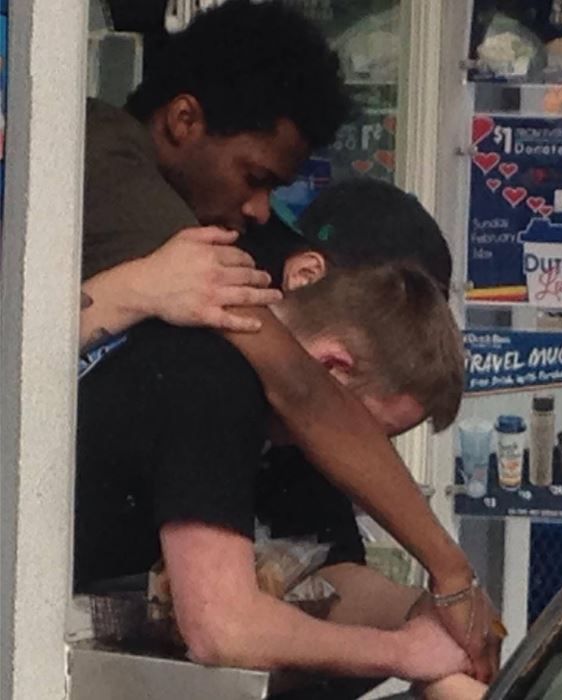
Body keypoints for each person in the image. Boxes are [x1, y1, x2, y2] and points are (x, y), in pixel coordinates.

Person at [76, 0, 500, 675]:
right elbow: (297, 384)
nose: (255, 211)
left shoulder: (186, 215)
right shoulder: (107, 171)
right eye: (255, 178)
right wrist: (450, 574)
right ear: (184, 120)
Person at [76, 260, 473, 693]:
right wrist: (403, 652)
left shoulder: (285, 425)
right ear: (331, 368)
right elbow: (222, 629)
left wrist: (426, 616)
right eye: (366, 435)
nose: (365, 458)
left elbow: (331, 577)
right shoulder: (211, 376)